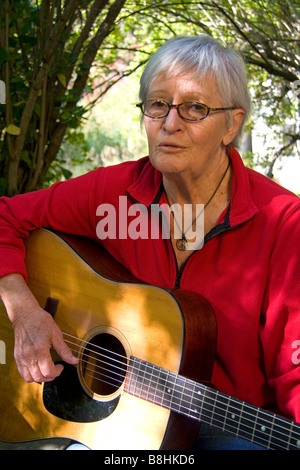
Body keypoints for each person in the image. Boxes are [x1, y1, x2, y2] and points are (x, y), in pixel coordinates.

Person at [0, 35, 299, 450]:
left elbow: (295, 374)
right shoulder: (113, 191)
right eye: (157, 104)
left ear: (232, 124)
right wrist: (25, 311)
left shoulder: (284, 222)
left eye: (195, 108)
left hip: (230, 428)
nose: (169, 123)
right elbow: (6, 216)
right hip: (119, 429)